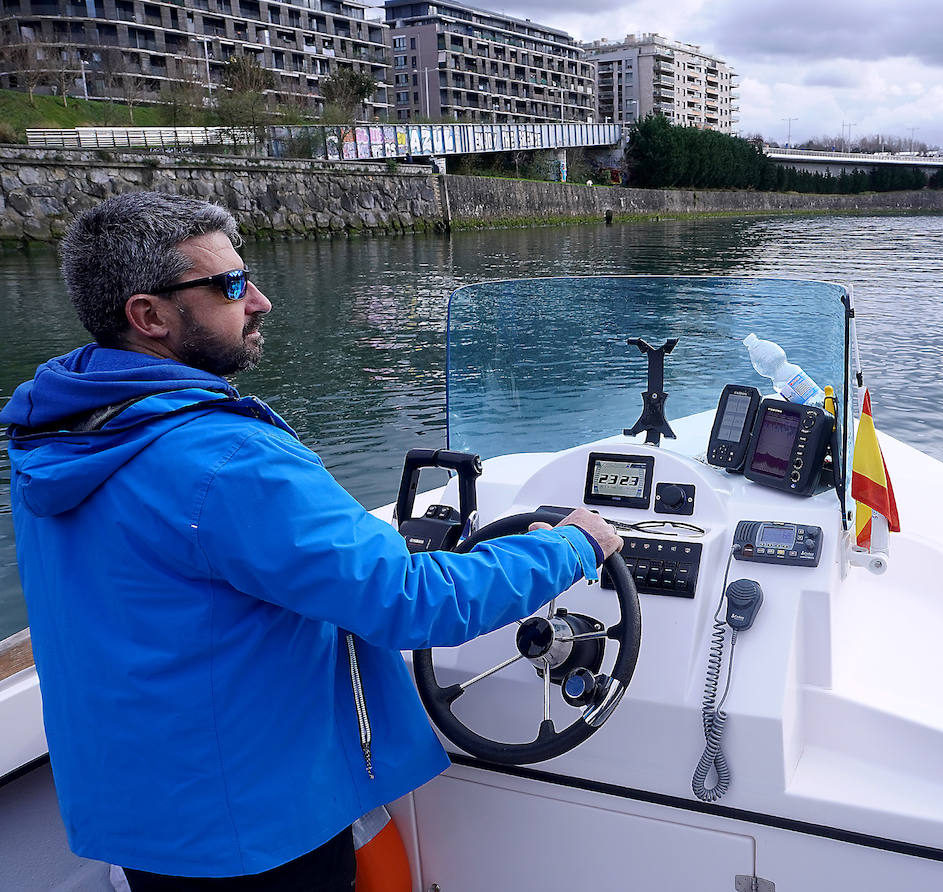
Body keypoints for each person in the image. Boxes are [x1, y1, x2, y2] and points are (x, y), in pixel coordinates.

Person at [0, 192, 623, 890]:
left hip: (148, 818)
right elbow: (414, 604)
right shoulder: (228, 461)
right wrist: (572, 546)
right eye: (230, 285)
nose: (260, 299)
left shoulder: (59, 433)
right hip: (254, 831)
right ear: (148, 317)